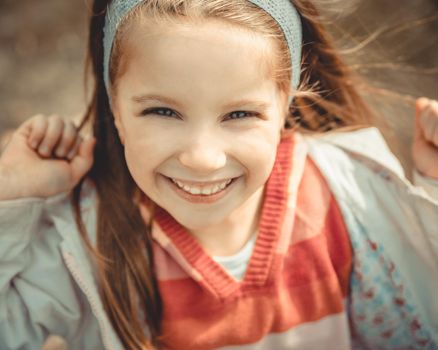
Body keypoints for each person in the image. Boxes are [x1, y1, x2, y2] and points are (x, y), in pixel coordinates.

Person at [0, 0, 437, 349]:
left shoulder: (347, 192)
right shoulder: (88, 237)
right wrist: (12, 199)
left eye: (240, 113)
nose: (203, 158)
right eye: (163, 111)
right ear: (115, 106)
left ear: (285, 104)